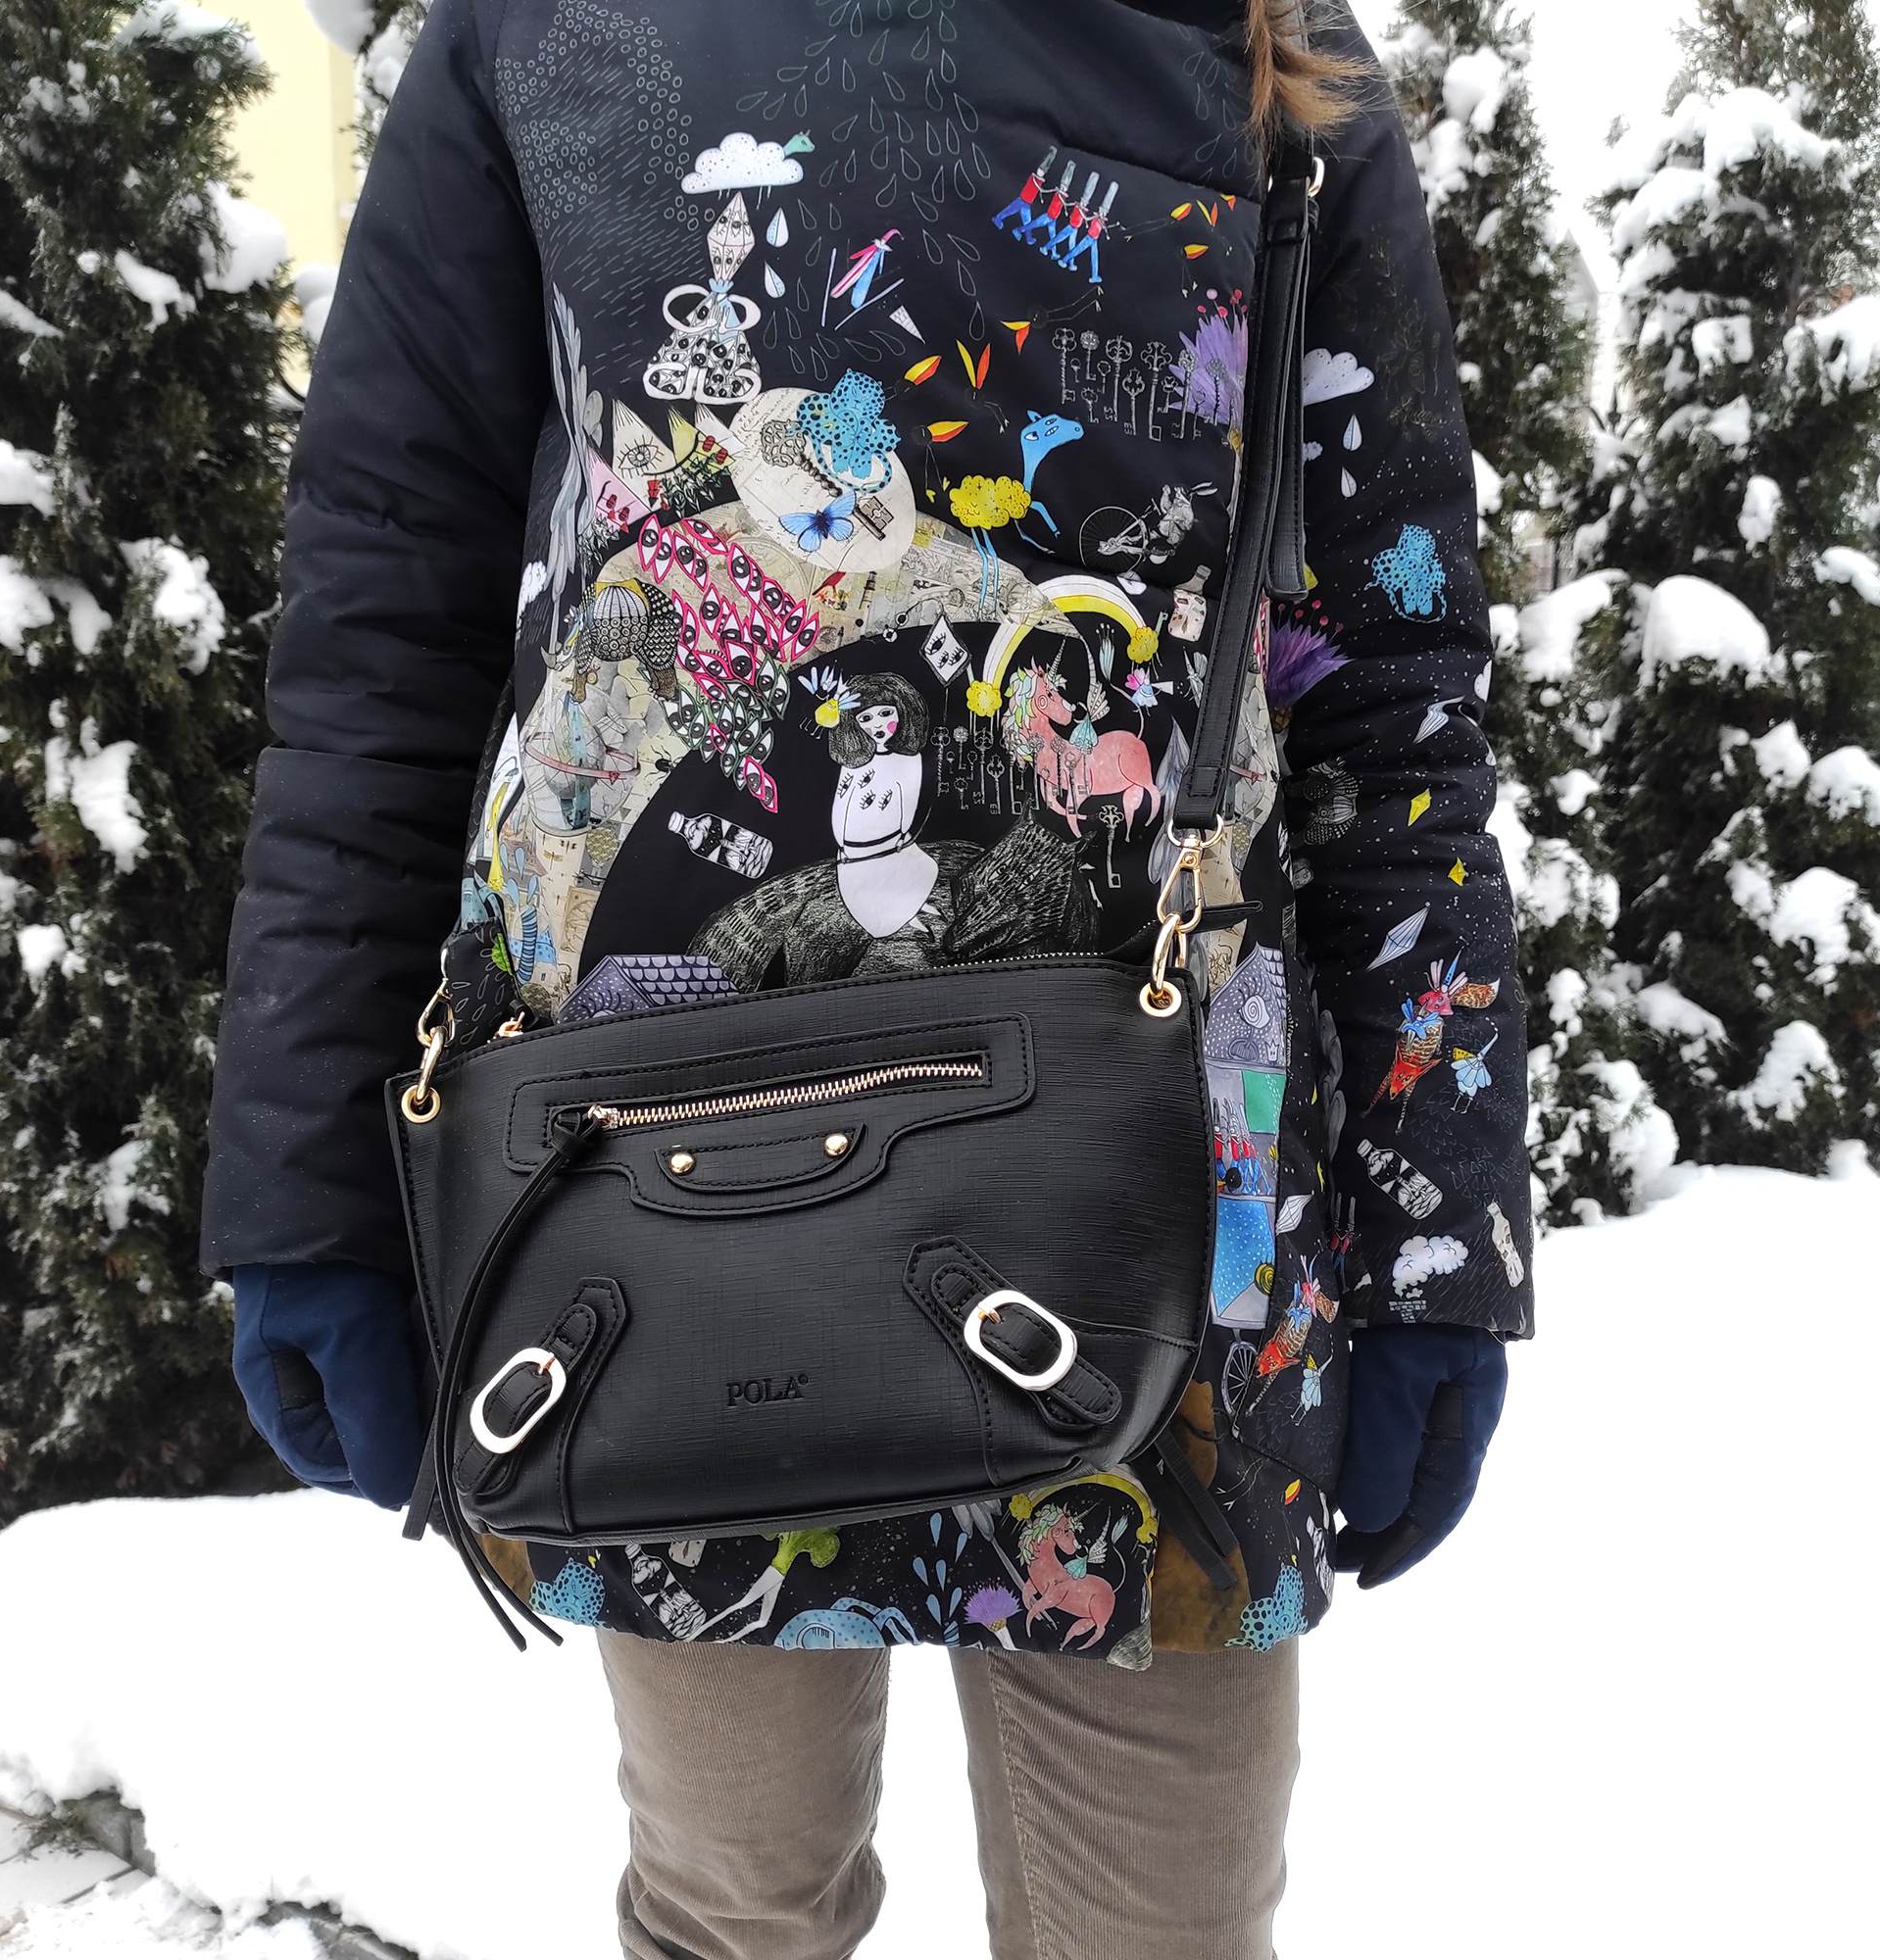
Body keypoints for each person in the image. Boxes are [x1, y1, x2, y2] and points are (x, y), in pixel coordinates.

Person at [204, 1, 1533, 1953]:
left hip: (1170, 1202)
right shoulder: (536, 29)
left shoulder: (1274, 48)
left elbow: (1388, 697)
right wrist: (312, 1191)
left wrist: (1440, 1241)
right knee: (734, 1903)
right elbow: (380, 641)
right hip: (659, 1193)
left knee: (1160, 1928)